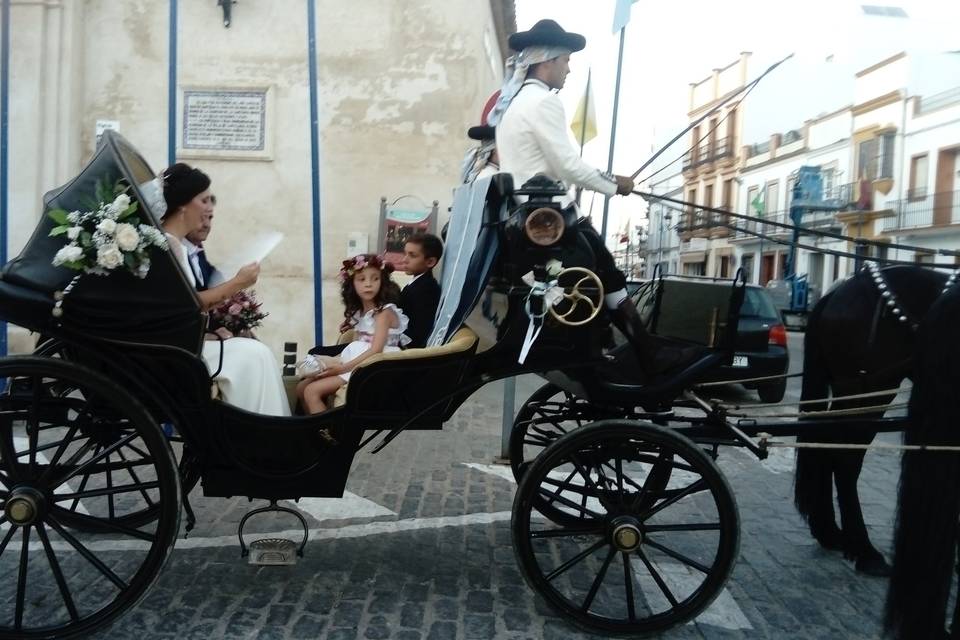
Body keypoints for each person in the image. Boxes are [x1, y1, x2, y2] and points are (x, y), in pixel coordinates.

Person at [489, 19, 700, 376]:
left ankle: (640, 349)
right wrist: (615, 184)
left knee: (609, 273)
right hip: (548, 216)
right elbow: (568, 165)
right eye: (566, 61)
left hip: (531, 213)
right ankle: (639, 353)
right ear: (548, 61)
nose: (569, 69)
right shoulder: (542, 102)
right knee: (604, 276)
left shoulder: (516, 103)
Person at [160, 163, 291, 416]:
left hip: (184, 345)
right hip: (177, 353)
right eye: (204, 200)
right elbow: (188, 305)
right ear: (183, 204)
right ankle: (260, 435)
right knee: (254, 354)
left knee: (255, 351)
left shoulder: (174, 244)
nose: (210, 208)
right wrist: (238, 283)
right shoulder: (169, 244)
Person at [297, 254, 410, 414]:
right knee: (302, 387)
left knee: (311, 391)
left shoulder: (384, 312)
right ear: (352, 283)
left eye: (375, 279)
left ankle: (327, 434)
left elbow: (376, 349)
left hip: (373, 365)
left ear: (382, 281)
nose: (368, 284)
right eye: (361, 279)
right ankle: (311, 429)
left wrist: (341, 369)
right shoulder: (361, 312)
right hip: (356, 361)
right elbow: (358, 342)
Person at [399, 233, 443, 348]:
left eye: (412, 255)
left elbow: (419, 332)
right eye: (405, 254)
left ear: (430, 262)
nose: (404, 260)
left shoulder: (427, 290)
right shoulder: (418, 284)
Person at [183, 194, 225, 291]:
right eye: (202, 217)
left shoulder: (197, 247)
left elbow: (210, 273)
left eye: (209, 218)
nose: (207, 225)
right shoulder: (175, 250)